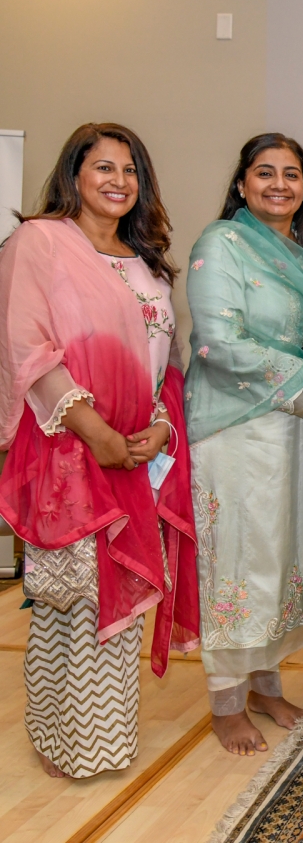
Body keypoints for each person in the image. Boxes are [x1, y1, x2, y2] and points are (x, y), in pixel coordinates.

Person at [0, 123, 200, 778]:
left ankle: (105, 742)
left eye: (130, 170)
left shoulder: (144, 262)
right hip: (70, 450)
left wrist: (162, 429)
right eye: (103, 167)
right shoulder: (43, 242)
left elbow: (165, 365)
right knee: (74, 603)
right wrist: (96, 433)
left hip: (137, 456)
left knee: (120, 600)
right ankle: (65, 742)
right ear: (74, 175)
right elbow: (28, 349)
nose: (118, 181)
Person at [185, 133, 303, 756]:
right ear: (242, 183)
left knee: (280, 560)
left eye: (292, 174)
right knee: (238, 562)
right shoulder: (220, 243)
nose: (280, 184)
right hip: (238, 433)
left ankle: (266, 686)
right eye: (265, 172)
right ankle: (226, 701)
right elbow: (217, 345)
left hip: (297, 433)